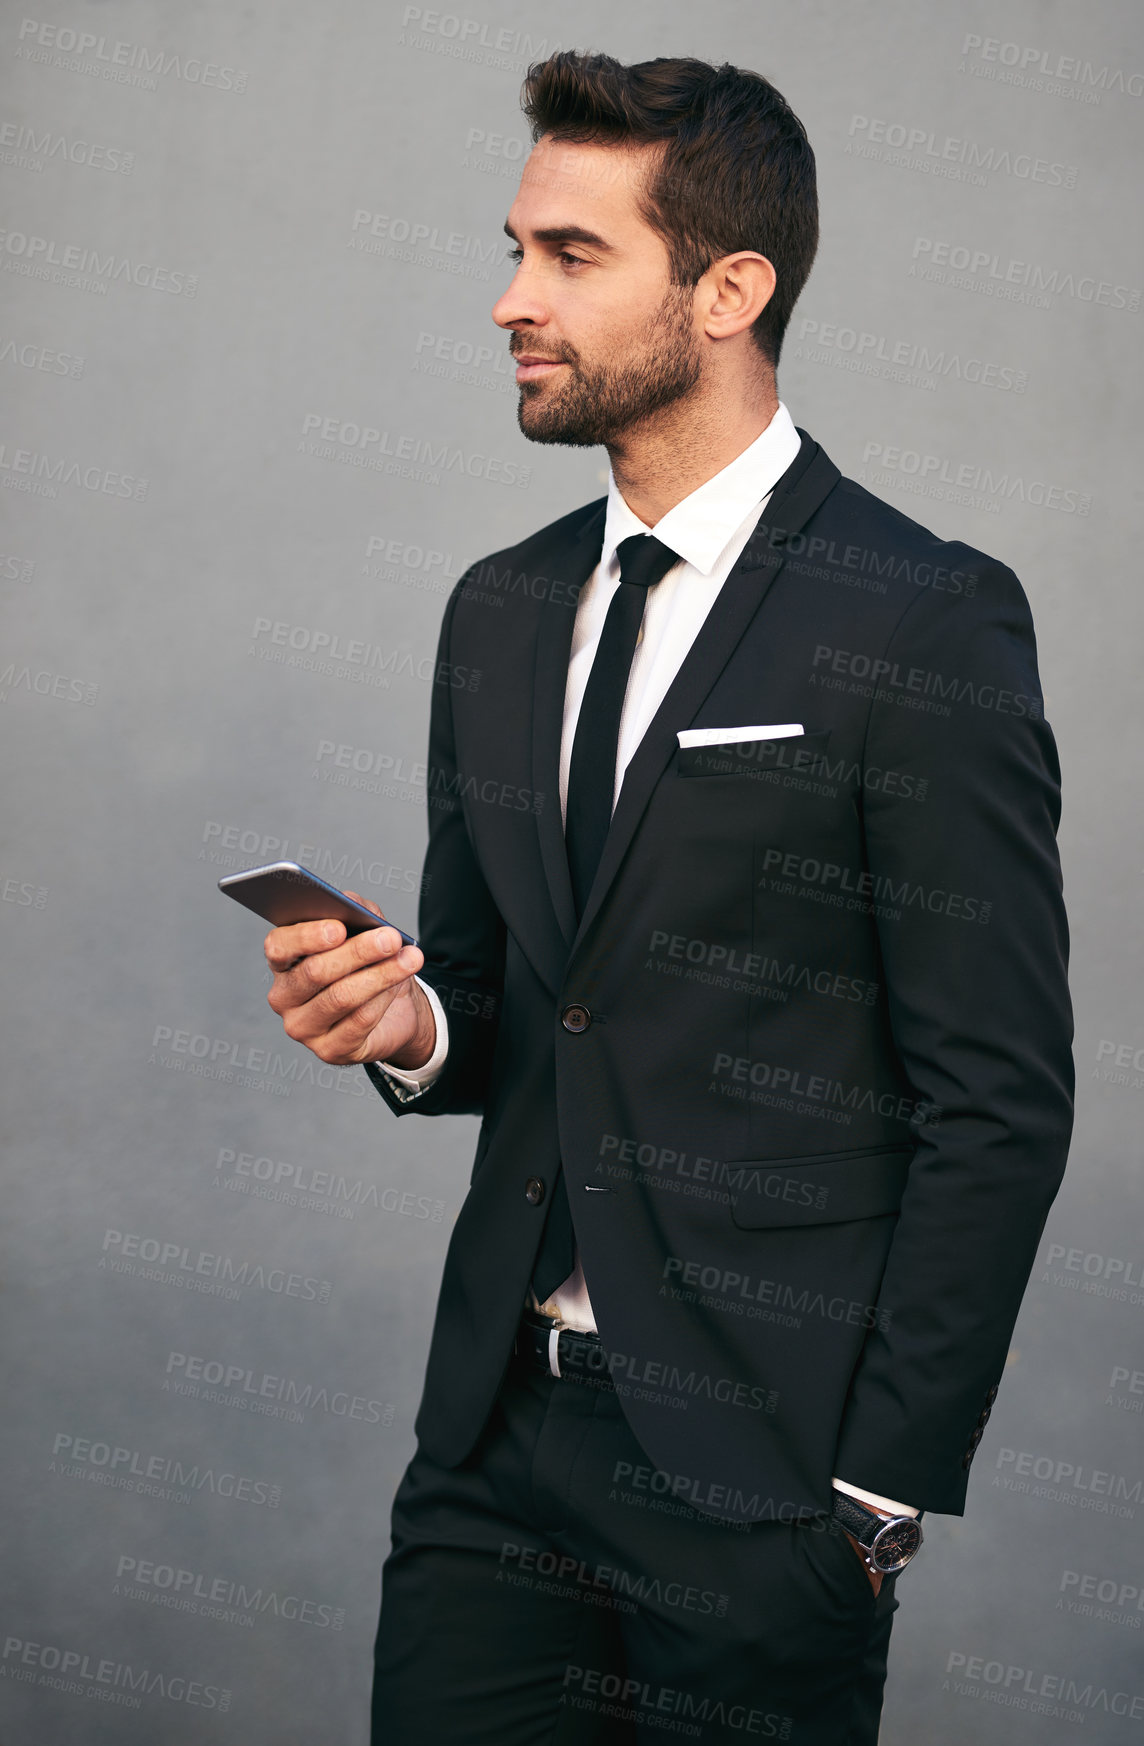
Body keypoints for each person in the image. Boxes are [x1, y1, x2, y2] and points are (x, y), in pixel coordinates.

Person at [263, 51, 1073, 1745]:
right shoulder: (497, 610)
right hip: (491, 1456)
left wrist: (873, 1497)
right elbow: (498, 1006)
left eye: (569, 256)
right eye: (515, 247)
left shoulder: (923, 618)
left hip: (765, 1482)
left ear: (728, 289)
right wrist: (405, 1021)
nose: (508, 299)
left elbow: (997, 1098)